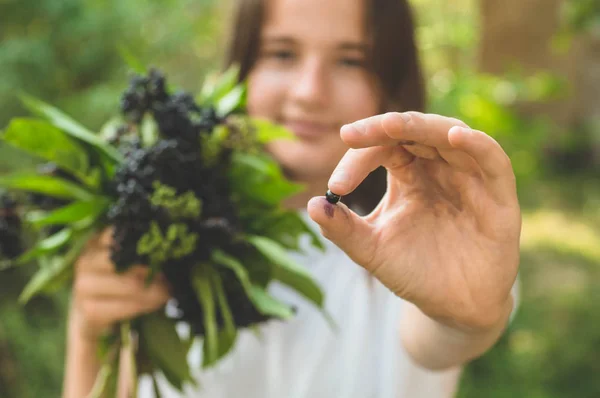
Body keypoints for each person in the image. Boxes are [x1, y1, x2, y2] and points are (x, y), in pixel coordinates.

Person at [62, 0, 522, 396]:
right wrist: (88, 331)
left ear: (391, 78)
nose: (309, 93)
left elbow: (443, 327)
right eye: (282, 54)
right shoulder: (164, 235)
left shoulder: (428, 234)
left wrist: (466, 319)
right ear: (242, 67)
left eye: (351, 60)